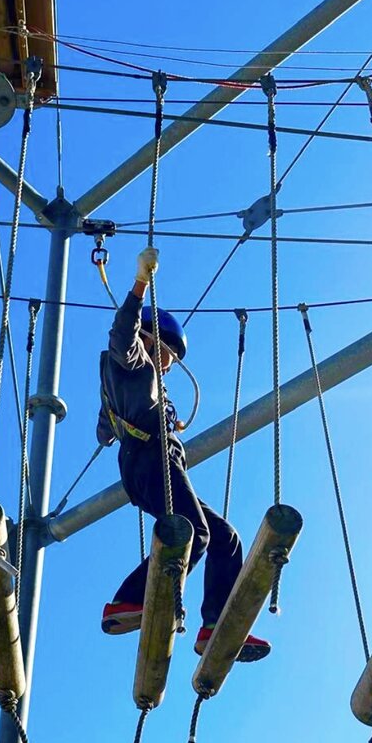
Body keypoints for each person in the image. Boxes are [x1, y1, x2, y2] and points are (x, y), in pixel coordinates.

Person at [97, 247, 270, 661]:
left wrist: (111, 427)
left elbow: (104, 429)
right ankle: (132, 599)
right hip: (149, 460)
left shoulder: (137, 381)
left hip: (155, 462)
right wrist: (140, 282)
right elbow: (122, 335)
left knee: (225, 538)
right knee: (194, 532)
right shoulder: (133, 361)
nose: (169, 364)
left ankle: (217, 625)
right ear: (149, 338)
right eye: (168, 353)